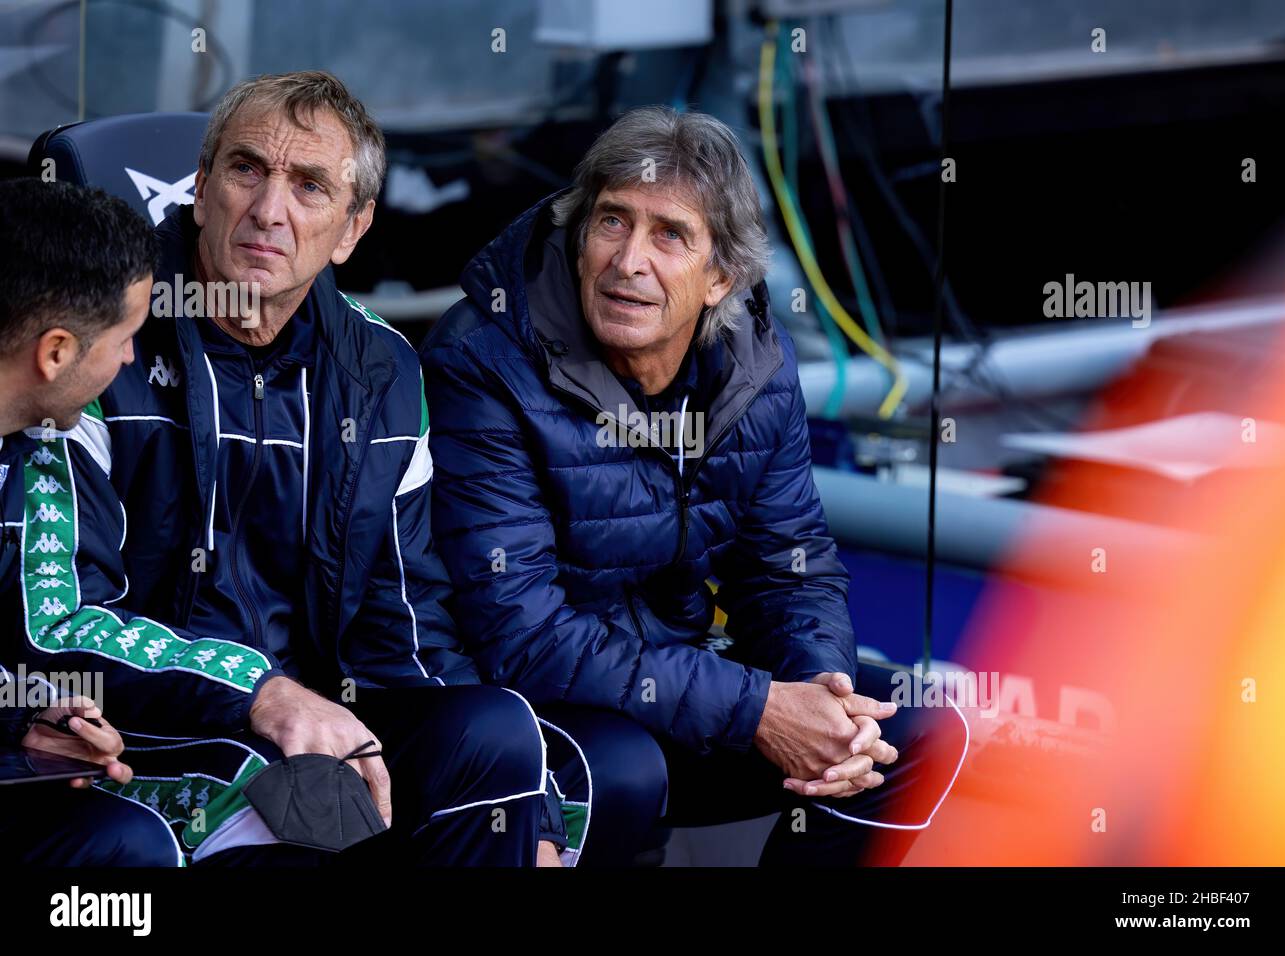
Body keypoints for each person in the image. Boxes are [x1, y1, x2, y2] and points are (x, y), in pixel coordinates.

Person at [22, 71, 577, 866]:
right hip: (153, 724)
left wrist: (526, 798)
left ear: (352, 230)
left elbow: (408, 626)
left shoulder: (382, 367)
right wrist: (260, 692)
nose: (270, 211)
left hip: (322, 719)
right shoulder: (105, 339)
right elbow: (58, 623)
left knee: (494, 736)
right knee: (293, 809)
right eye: (247, 170)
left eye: (310, 186)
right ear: (201, 189)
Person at [422, 106, 968, 866]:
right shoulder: (483, 361)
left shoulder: (753, 369)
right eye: (612, 222)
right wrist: (756, 710)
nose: (628, 261)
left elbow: (788, 567)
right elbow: (520, 632)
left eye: (669, 234)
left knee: (900, 731)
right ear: (579, 235)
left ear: (722, 277)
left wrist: (820, 690)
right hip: (524, 706)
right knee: (622, 769)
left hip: (681, 680)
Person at [0, 179, 181, 866]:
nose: (131, 359)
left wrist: (28, 723)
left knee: (127, 844)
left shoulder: (24, 449)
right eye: (126, 337)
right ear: (55, 353)